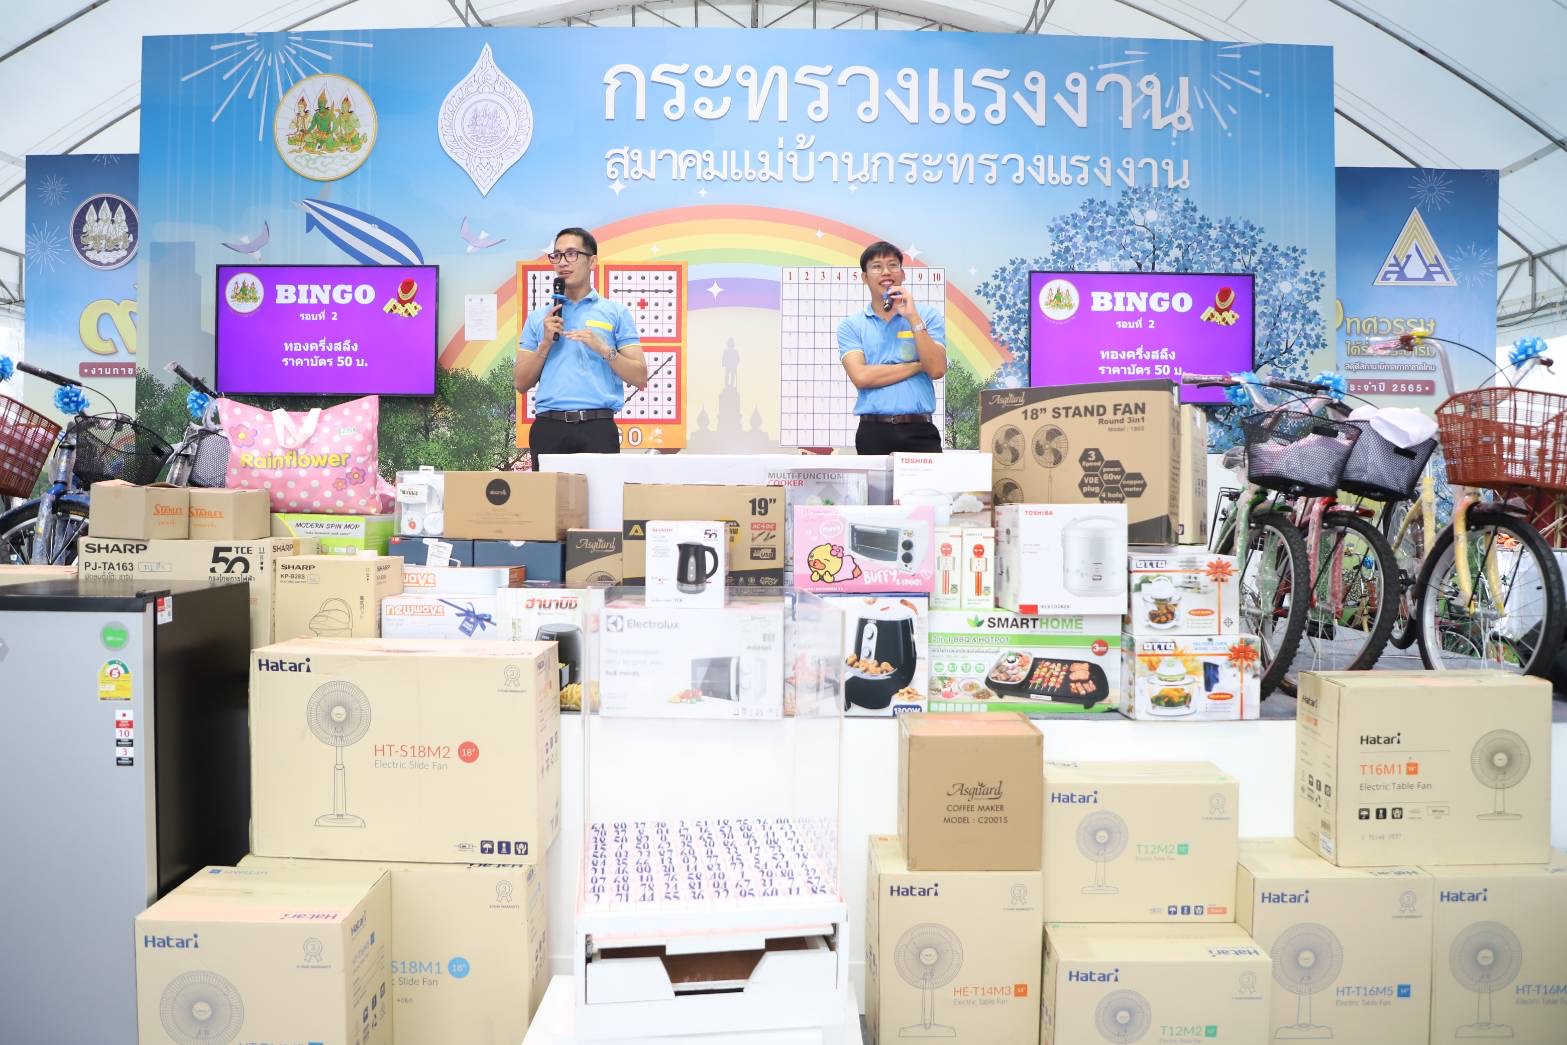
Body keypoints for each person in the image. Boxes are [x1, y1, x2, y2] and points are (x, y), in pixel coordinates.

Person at [515, 227, 648, 462]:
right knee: (548, 489)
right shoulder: (539, 318)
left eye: (571, 254)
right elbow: (521, 383)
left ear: (592, 261)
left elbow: (639, 376)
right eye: (556, 255)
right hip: (549, 428)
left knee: (601, 489)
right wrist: (545, 344)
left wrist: (604, 349)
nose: (562, 262)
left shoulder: (615, 313)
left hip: (597, 427)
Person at [837, 241, 947, 454]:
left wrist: (913, 317)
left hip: (920, 431)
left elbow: (936, 369)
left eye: (893, 265)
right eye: (877, 266)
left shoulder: (927, 316)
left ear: (903, 274)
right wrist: (918, 365)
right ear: (864, 277)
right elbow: (861, 377)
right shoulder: (851, 325)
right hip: (873, 431)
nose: (886, 272)